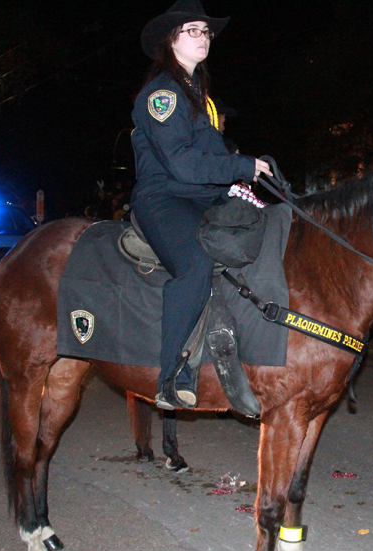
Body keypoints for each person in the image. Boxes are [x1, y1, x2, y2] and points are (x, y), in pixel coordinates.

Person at [130, 0, 272, 410]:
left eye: (206, 31)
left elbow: (211, 162)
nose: (203, 36)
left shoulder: (198, 96)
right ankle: (172, 375)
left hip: (201, 198)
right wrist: (242, 165)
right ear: (170, 40)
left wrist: (250, 177)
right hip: (165, 198)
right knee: (195, 264)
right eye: (192, 30)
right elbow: (183, 164)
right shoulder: (163, 94)